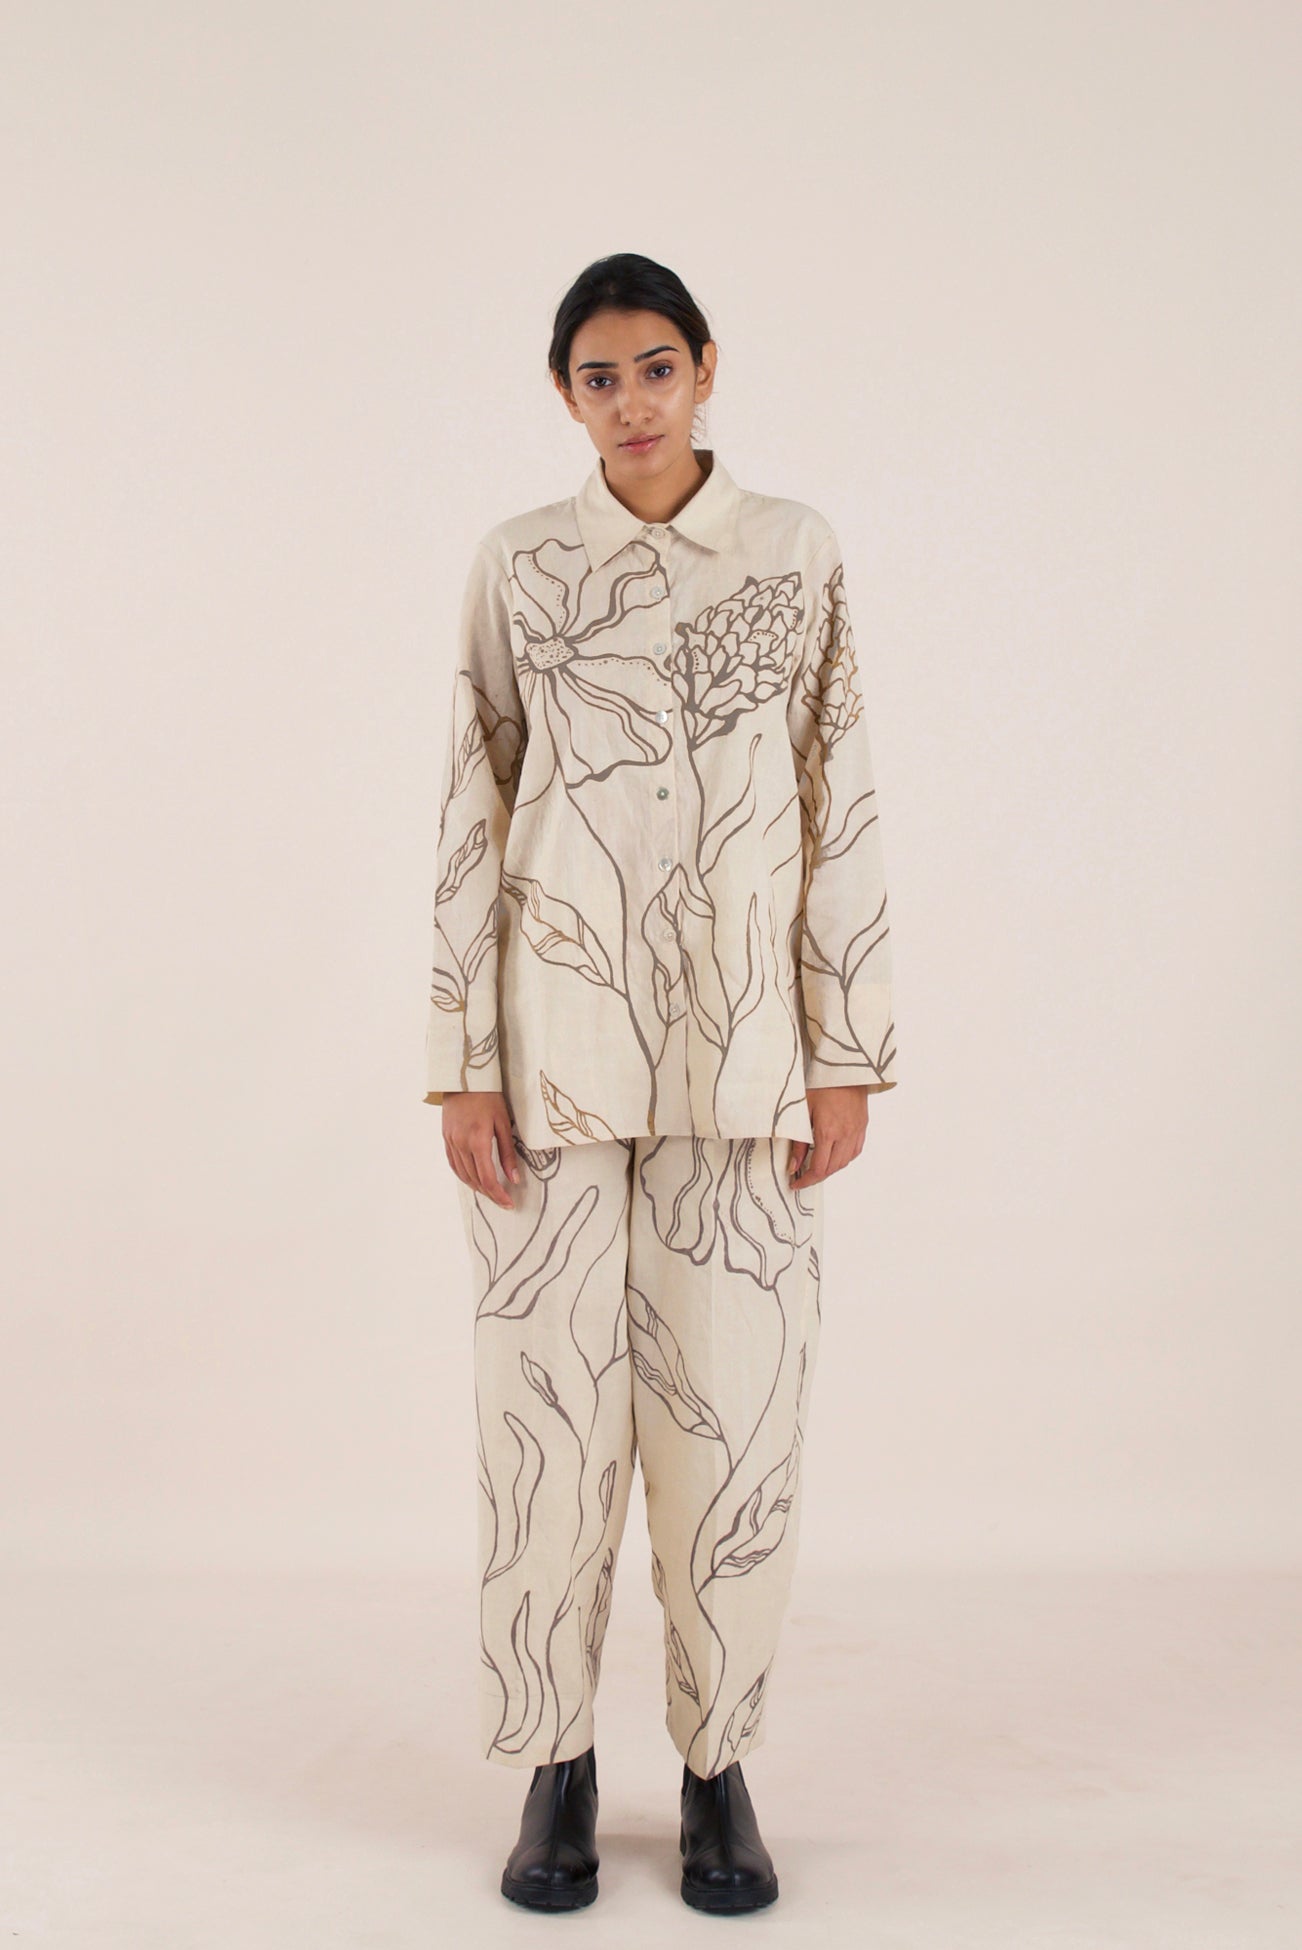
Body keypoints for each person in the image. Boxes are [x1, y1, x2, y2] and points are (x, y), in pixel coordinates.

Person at [422, 252, 899, 1912]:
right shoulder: (519, 564)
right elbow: (472, 802)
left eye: (653, 368)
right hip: (549, 1058)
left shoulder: (793, 553)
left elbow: (838, 798)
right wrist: (459, 1062)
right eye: (596, 377)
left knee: (736, 1428)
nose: (628, 402)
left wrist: (844, 1052)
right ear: (564, 394)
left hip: (741, 1062)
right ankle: (552, 1762)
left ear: (704, 369)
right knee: (544, 1425)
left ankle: (717, 1768)